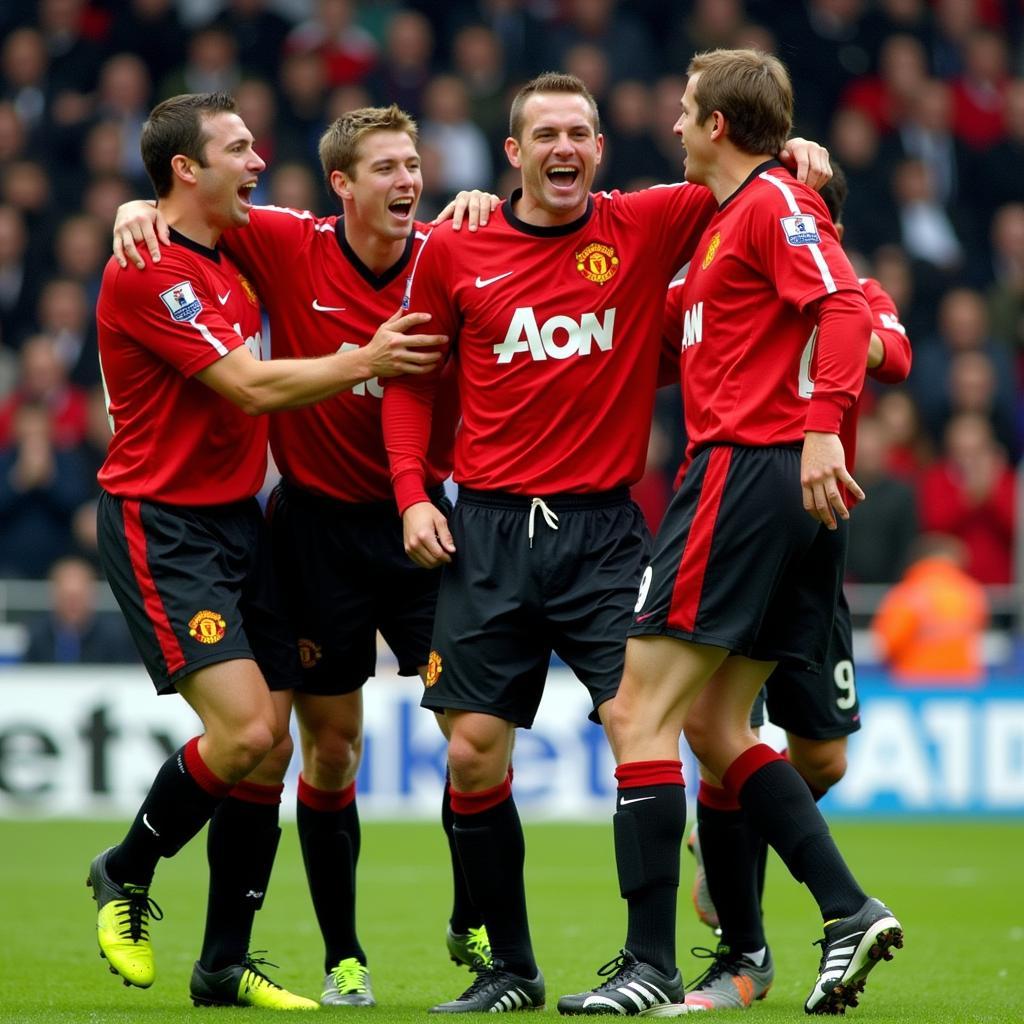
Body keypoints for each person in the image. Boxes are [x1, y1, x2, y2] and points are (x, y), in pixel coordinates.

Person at [381, 70, 829, 1013]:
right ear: (512, 154)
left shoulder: (644, 221)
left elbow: (746, 169)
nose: (565, 149)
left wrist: (801, 156)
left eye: (580, 133)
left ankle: (681, 957)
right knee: (470, 750)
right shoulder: (455, 245)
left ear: (599, 148)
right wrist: (413, 494)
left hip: (604, 532)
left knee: (660, 725)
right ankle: (510, 969)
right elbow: (413, 378)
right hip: (488, 530)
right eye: (545, 134)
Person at [112, 103, 498, 1007]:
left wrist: (486, 202)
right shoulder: (283, 241)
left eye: (417, 165)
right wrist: (135, 209)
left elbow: (521, 244)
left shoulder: (450, 248)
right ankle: (341, 954)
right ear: (342, 185)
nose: (409, 181)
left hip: (420, 524)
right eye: (388, 167)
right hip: (312, 534)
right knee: (323, 750)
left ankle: (474, 918)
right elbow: (184, 224)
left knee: (476, 738)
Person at [558, 49, 903, 1018]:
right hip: (774, 482)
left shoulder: (762, 206)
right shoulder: (733, 221)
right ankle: (843, 911)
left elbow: (841, 306)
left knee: (636, 713)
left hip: (744, 472)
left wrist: (820, 428)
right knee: (713, 725)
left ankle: (646, 961)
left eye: (683, 110)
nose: (671, 124)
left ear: (715, 125)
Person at [669, 162, 912, 1011]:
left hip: (816, 523)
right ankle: (748, 944)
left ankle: (747, 837)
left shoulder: (843, 283)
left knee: (821, 757)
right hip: (763, 501)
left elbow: (896, 351)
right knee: (714, 725)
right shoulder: (735, 266)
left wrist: (831, 329)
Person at [872, 532, 989, 685]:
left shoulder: (908, 593)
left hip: (915, 683)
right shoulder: (971, 592)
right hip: (963, 683)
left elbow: (889, 643)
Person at [23, 555, 136, 663]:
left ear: (92, 595)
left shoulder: (115, 636)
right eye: (66, 598)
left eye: (78, 598)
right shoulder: (37, 634)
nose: (72, 605)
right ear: (54, 596)